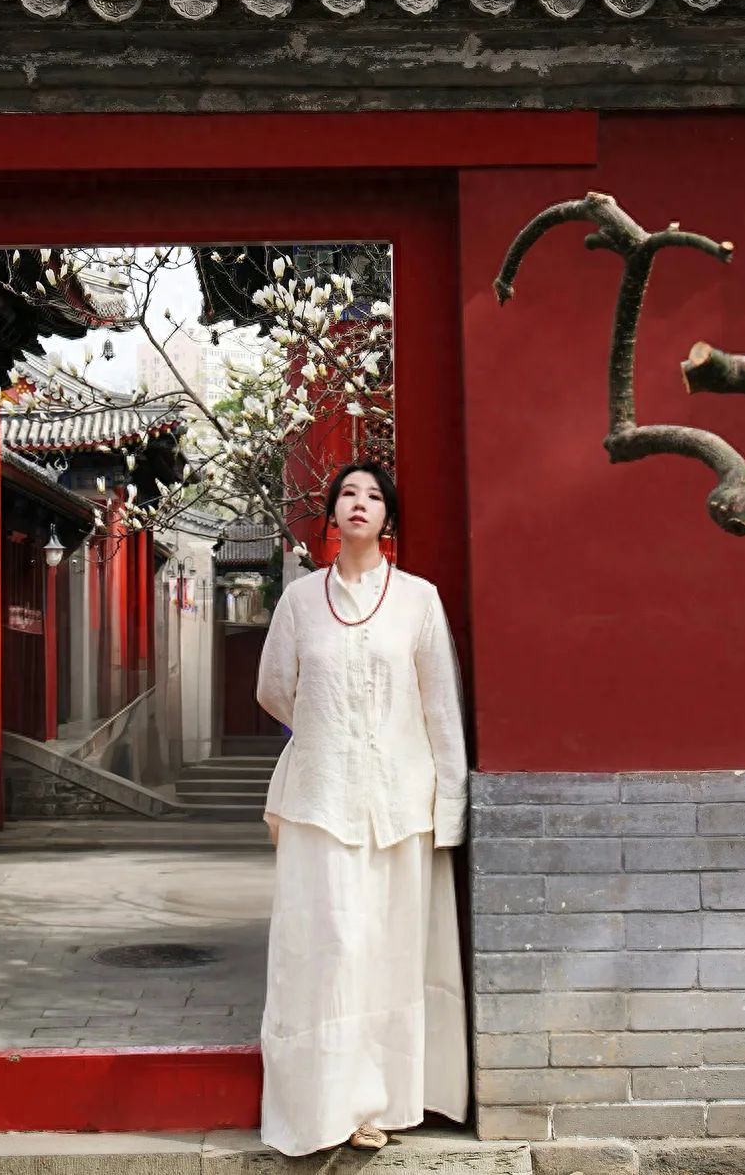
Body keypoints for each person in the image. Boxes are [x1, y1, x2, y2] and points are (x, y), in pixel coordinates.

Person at [255, 460, 469, 1155]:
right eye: (348, 492)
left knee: (389, 953)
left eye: (374, 496)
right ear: (331, 513)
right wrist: (329, 734)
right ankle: (327, 1102)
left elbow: (441, 709)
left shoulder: (418, 601)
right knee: (330, 951)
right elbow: (274, 689)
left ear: (388, 519)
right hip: (320, 802)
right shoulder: (298, 602)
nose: (360, 503)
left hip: (400, 804)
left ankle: (381, 1101)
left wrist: (449, 804)